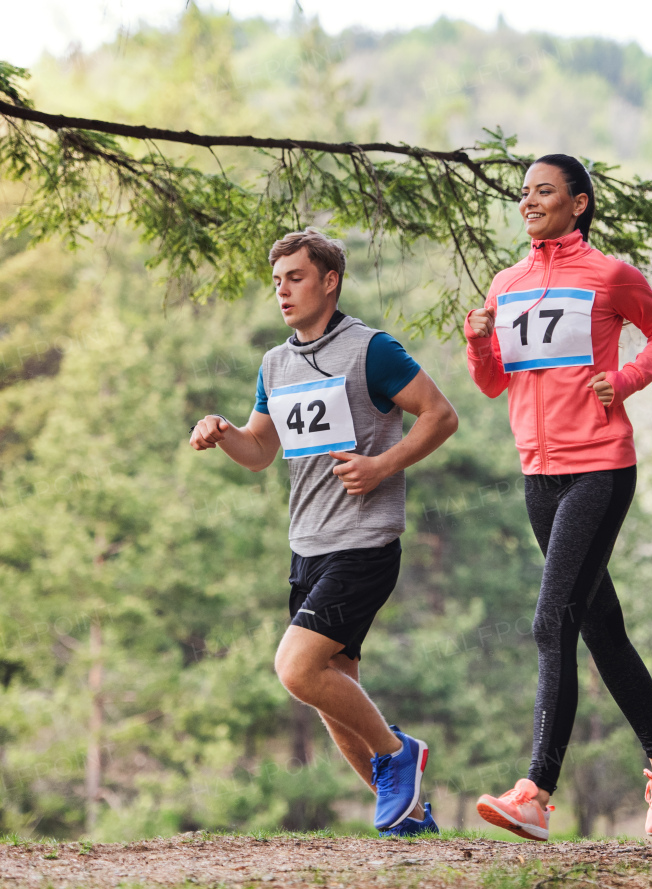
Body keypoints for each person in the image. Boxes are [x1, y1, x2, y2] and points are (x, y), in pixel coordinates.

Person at [190, 229, 458, 837]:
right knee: (333, 692)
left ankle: (399, 754)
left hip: (364, 543)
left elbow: (442, 415)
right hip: (306, 547)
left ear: (329, 281)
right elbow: (260, 451)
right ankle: (412, 821)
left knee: (296, 669)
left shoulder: (371, 350)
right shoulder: (275, 364)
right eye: (277, 280)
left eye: (296, 277)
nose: (282, 290)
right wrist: (222, 431)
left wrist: (381, 465)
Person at [465, 154, 652, 840]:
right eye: (524, 192)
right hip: (539, 473)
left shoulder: (609, 275)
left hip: (600, 465)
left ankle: (535, 790)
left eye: (543, 191)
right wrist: (479, 344)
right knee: (599, 625)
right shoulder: (506, 282)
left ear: (579, 202)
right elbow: (493, 383)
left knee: (552, 619)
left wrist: (624, 381)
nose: (528, 201)